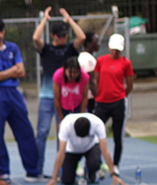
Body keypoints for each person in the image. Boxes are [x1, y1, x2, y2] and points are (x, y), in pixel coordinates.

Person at [0, 16, 41, 183]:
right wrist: (11, 70)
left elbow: (21, 72)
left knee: (25, 131)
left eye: (0, 32)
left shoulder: (13, 47)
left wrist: (1, 75)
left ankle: (33, 170)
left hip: (13, 93)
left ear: (4, 31)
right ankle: (3, 172)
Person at [32, 7, 85, 176]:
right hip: (48, 96)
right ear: (53, 36)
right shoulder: (46, 49)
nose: (64, 38)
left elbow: (82, 37)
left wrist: (69, 20)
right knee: (42, 132)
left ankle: (63, 170)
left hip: (64, 98)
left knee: (63, 132)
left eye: (65, 35)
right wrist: (45, 20)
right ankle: (37, 169)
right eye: (60, 36)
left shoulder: (70, 49)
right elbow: (35, 37)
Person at [43, 113, 126, 185]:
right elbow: (61, 152)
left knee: (94, 163)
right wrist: (53, 178)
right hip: (72, 150)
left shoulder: (98, 124)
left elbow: (104, 150)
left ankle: (91, 173)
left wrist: (114, 174)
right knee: (67, 181)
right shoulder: (65, 125)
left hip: (90, 147)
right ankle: (73, 172)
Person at [92, 34, 134, 172]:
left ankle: (115, 165)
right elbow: (97, 80)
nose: (115, 52)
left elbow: (129, 84)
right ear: (109, 47)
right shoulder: (101, 61)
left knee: (117, 135)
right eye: (113, 48)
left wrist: (121, 95)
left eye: (118, 49)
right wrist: (101, 93)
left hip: (118, 103)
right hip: (102, 103)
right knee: (94, 133)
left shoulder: (126, 63)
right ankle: (95, 162)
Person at [53, 57, 89, 125]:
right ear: (64, 70)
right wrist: (61, 119)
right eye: (70, 72)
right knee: (62, 128)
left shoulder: (84, 76)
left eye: (75, 72)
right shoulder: (58, 75)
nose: (72, 75)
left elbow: (85, 98)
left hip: (78, 105)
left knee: (80, 127)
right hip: (63, 107)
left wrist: (81, 116)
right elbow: (56, 99)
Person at [83, 32, 101, 114]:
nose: (99, 44)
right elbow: (91, 81)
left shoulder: (84, 56)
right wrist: (98, 99)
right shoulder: (88, 59)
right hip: (89, 97)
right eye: (96, 42)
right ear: (89, 44)